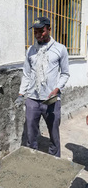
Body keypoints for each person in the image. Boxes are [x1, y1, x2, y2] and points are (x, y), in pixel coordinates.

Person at [15, 17, 70, 157]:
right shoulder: (31, 51)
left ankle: (55, 158)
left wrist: (57, 89)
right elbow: (27, 74)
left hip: (51, 100)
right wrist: (21, 94)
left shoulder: (60, 49)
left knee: (54, 133)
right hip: (32, 99)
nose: (38, 34)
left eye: (42, 31)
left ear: (49, 29)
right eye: (36, 31)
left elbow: (65, 74)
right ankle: (32, 157)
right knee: (31, 133)